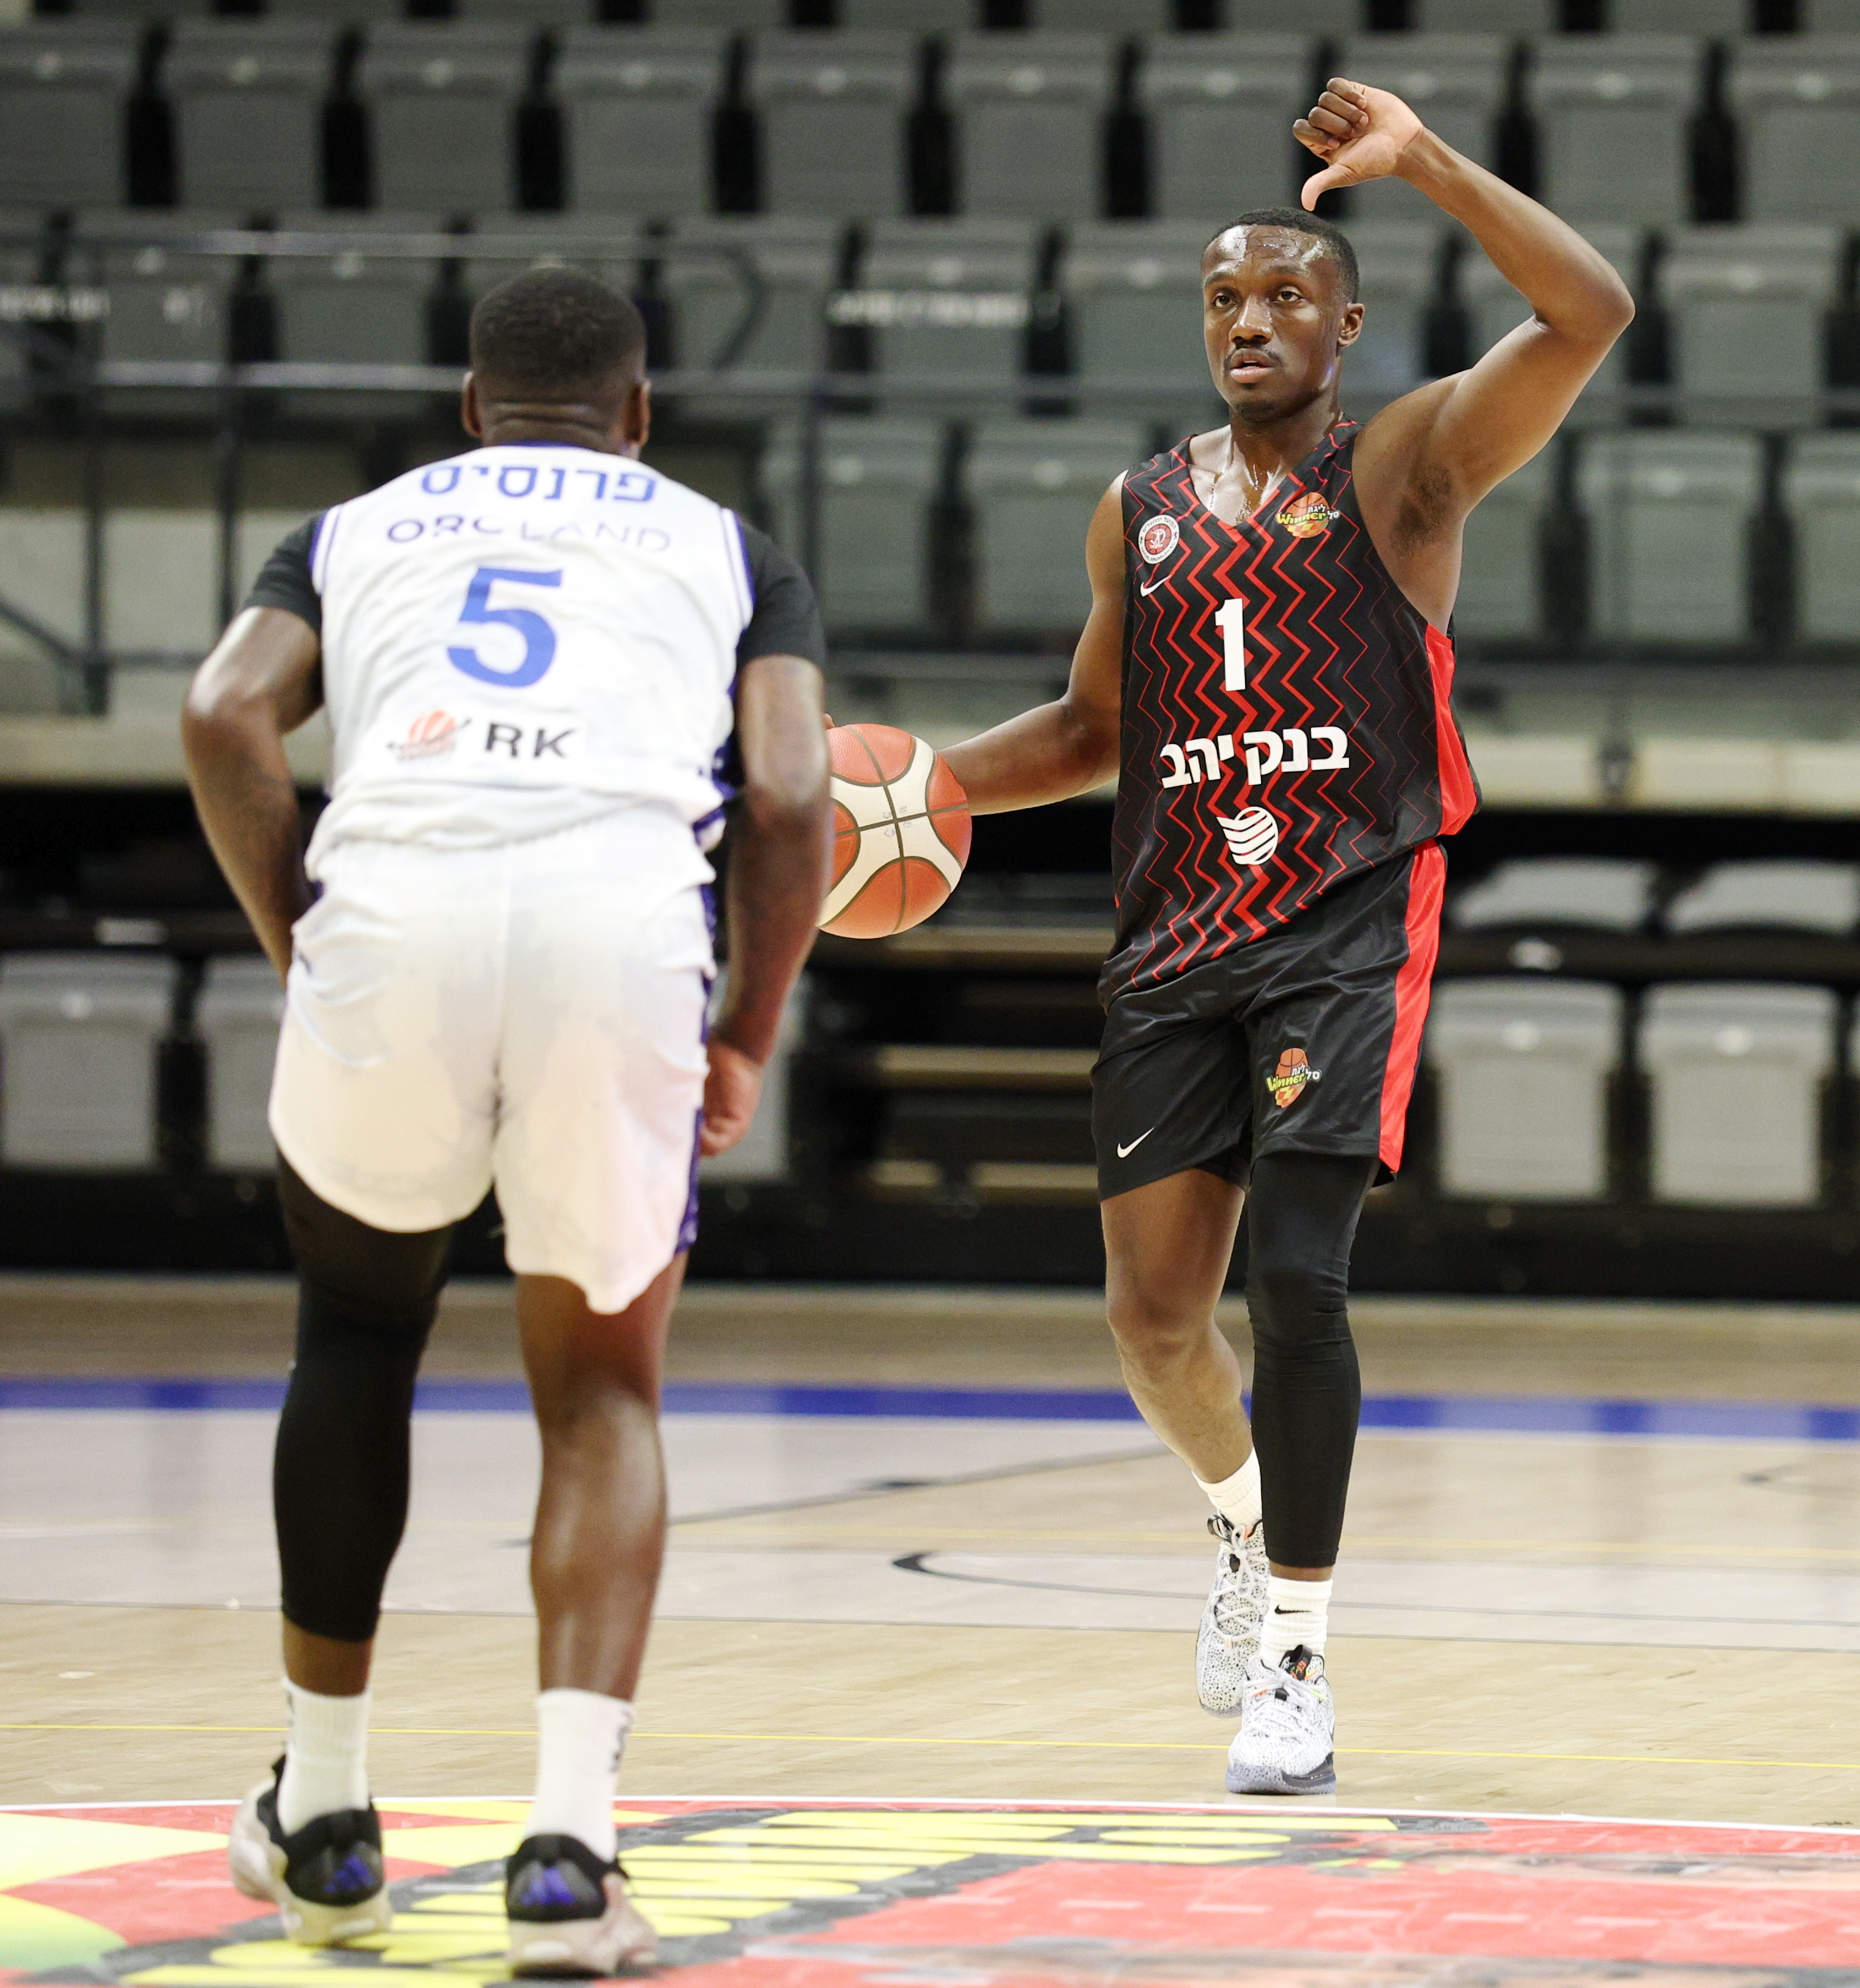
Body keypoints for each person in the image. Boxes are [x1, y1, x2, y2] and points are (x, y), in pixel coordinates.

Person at [941, 79, 1632, 1795]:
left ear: (1347, 323)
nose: (1249, 320)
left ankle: (1302, 1664)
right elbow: (1094, 732)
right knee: (1151, 1319)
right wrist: (906, 795)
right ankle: (1244, 1536)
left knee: (1298, 1279)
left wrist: (1428, 162)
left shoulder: (1405, 467)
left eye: (1285, 294)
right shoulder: (1139, 510)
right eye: (1224, 298)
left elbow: (1591, 313)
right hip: (1177, 935)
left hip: (1345, 916)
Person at [183, 265, 830, 1972]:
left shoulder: (356, 527)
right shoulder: (728, 546)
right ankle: (565, 1852)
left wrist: (298, 932)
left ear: (471, 408)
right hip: (615, 924)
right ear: (641, 414)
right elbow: (789, 793)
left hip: (396, 901)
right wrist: (748, 1031)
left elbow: (223, 710)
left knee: (353, 1333)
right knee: (604, 1382)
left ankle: (326, 1813)